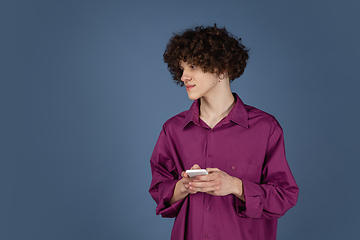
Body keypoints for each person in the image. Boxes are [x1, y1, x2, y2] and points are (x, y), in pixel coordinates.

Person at [149, 24, 299, 240]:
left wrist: (235, 186)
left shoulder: (265, 128)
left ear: (221, 68)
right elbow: (160, 191)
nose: (184, 77)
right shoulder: (173, 130)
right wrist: (183, 186)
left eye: (192, 66)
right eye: (181, 69)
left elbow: (285, 197)